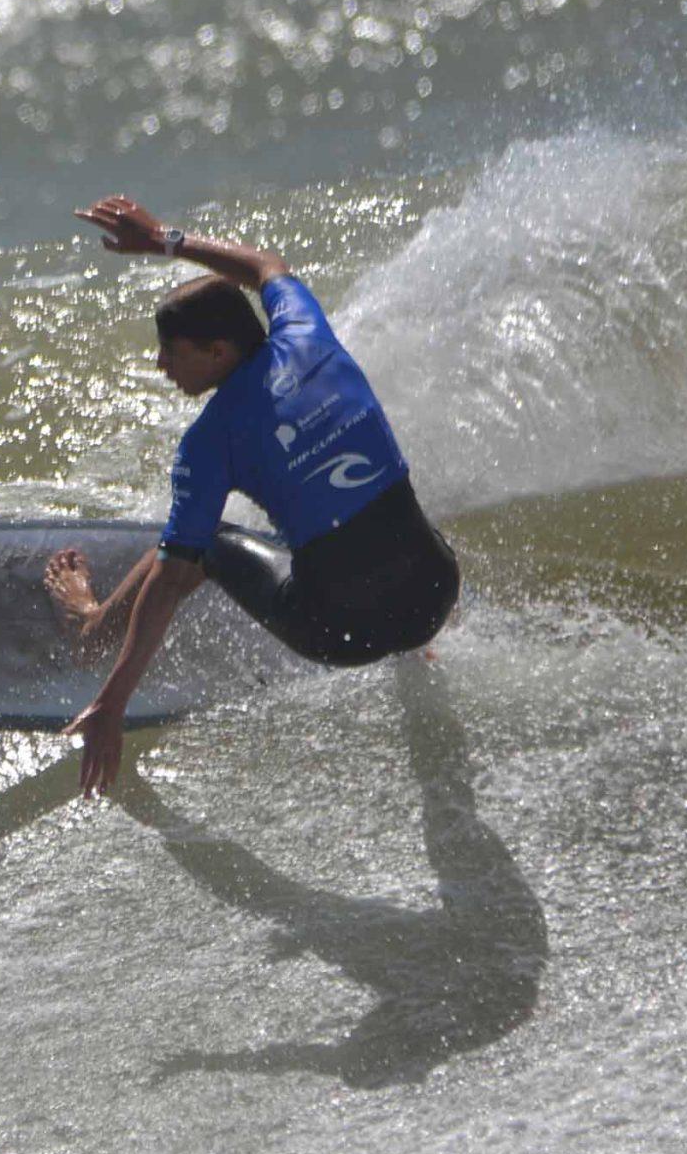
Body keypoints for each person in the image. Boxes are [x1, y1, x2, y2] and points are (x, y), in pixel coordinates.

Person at [50, 194, 459, 796]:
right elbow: (267, 265)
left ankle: (91, 627)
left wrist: (111, 704)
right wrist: (164, 236)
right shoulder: (308, 333)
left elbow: (168, 580)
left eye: (173, 352)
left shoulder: (209, 442)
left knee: (203, 544)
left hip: (344, 635)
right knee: (375, 509)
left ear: (219, 353)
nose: (161, 363)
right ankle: (412, 644)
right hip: (434, 594)